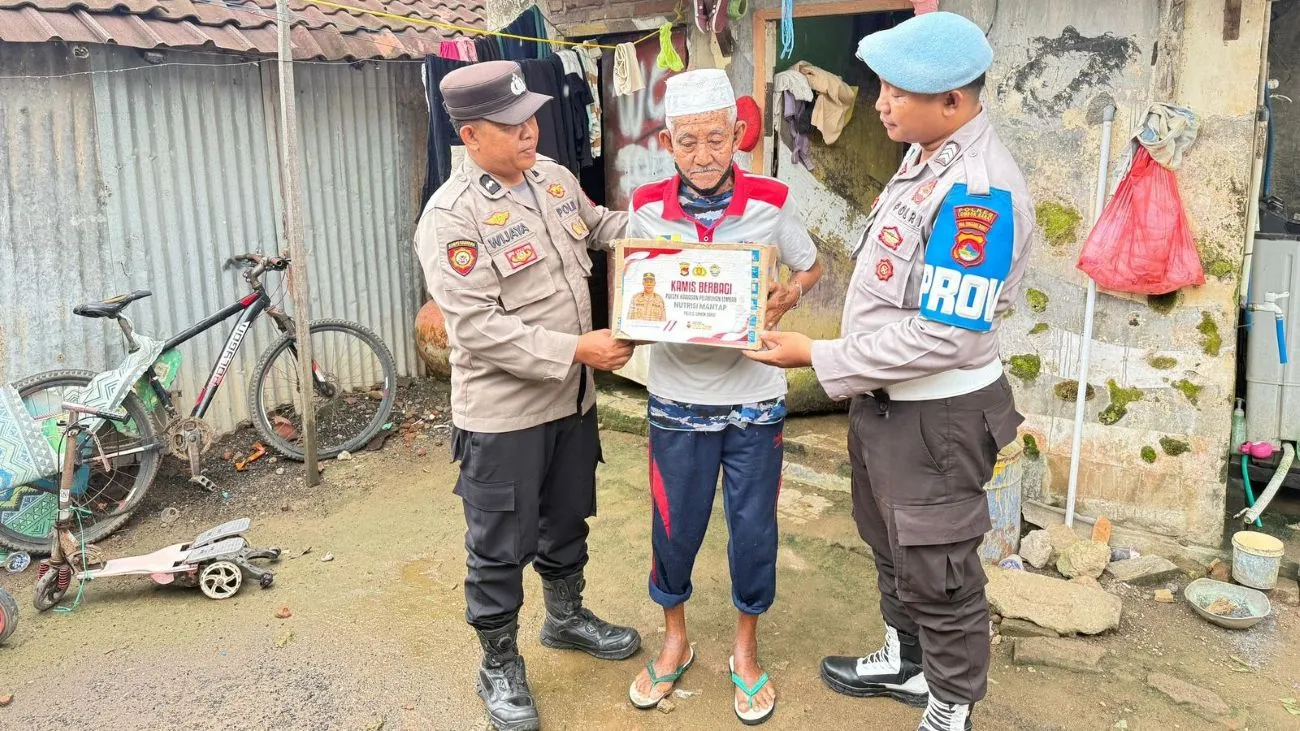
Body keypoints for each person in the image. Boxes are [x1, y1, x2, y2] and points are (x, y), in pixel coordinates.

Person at [745, 13, 1032, 731]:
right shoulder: (924, 155)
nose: (879, 103)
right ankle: (907, 661)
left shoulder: (977, 193)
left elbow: (941, 334)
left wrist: (820, 356)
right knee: (889, 542)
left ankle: (950, 702)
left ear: (953, 102)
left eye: (896, 92)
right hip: (884, 405)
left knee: (939, 567)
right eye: (881, 87)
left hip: (935, 416)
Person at [414, 60, 641, 731]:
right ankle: (498, 662)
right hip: (504, 416)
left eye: (532, 117)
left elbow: (602, 228)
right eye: (513, 125)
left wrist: (680, 232)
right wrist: (578, 348)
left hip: (572, 402)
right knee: (499, 543)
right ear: (473, 134)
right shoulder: (451, 218)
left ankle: (566, 618)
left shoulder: (553, 178)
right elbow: (479, 329)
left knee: (568, 516)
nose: (530, 132)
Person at [624, 68, 824, 725]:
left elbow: (810, 263)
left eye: (716, 138)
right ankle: (675, 637)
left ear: (737, 133)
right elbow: (632, 281)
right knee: (673, 528)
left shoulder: (770, 198)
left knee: (753, 529)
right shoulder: (647, 204)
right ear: (667, 141)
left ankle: (745, 649)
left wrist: (789, 293)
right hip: (676, 397)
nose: (704, 155)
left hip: (755, 399)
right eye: (688, 141)